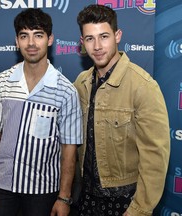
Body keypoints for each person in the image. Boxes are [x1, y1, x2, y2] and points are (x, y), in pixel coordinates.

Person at [0, 8, 83, 216]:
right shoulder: (1, 82)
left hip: (43, 192)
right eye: (24, 36)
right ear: (17, 41)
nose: (31, 43)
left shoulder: (66, 91)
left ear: (50, 39)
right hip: (2, 187)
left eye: (38, 35)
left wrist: (64, 197)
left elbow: (69, 149)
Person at [73, 4, 170, 216]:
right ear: (82, 42)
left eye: (104, 36)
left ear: (117, 35)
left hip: (125, 202)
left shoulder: (143, 86)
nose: (97, 46)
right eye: (90, 39)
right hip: (86, 199)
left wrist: (140, 209)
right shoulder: (81, 83)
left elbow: (155, 156)